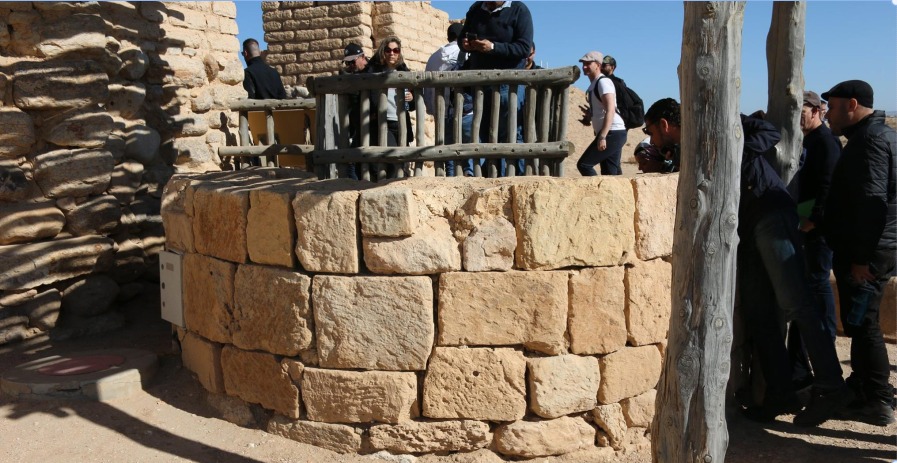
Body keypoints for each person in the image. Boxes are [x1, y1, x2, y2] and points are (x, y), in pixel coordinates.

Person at [642, 98, 849, 427]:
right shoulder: (686, 147)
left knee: (796, 303)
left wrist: (731, 154)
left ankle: (831, 386)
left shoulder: (716, 117)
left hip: (769, 213)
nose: (652, 140)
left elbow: (769, 132)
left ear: (665, 125)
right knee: (758, 313)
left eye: (652, 132)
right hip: (746, 227)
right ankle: (780, 392)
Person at [821, 79, 896, 426]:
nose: (828, 114)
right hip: (872, 248)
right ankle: (864, 387)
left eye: (833, 107)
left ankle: (878, 399)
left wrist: (861, 258)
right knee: (859, 321)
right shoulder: (876, 136)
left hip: (868, 253)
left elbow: (871, 201)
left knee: (865, 325)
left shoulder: (870, 141)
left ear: (852, 105)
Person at [787, 90, 842, 391]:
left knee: (818, 286)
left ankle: (825, 344)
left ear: (816, 110)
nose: (798, 117)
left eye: (801, 111)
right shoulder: (809, 140)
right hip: (806, 224)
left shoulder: (825, 142)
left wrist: (813, 220)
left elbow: (829, 187)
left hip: (817, 231)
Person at [460, 1, 533, 176]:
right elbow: (462, 37)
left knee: (510, 131)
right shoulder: (476, 9)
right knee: (484, 131)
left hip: (509, 84)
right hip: (480, 84)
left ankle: (515, 178)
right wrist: (465, 43)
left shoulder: (519, 10)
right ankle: (489, 177)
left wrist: (493, 47)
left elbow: (524, 48)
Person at [424, 23, 467, 175]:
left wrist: (432, 110)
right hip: (465, 113)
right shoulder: (466, 54)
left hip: (442, 114)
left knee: (449, 156)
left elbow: (427, 90)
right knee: (469, 155)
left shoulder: (433, 58)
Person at [576, 51, 626, 176]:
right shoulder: (594, 84)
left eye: (588, 63)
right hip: (612, 133)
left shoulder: (603, 82)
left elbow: (610, 110)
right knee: (609, 174)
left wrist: (602, 136)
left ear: (598, 65)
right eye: (583, 64)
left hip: (613, 132)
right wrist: (590, 115)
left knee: (584, 165)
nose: (584, 67)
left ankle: (595, 189)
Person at [241, 38, 286, 166]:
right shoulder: (274, 72)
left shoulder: (248, 73)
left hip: (260, 128)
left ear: (245, 53)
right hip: (280, 126)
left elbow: (251, 99)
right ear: (260, 52)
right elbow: (283, 97)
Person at [341, 43, 370, 180]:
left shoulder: (372, 72)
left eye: (353, 62)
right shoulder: (352, 76)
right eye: (348, 63)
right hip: (358, 127)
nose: (350, 66)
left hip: (372, 124)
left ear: (362, 57)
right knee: (353, 163)